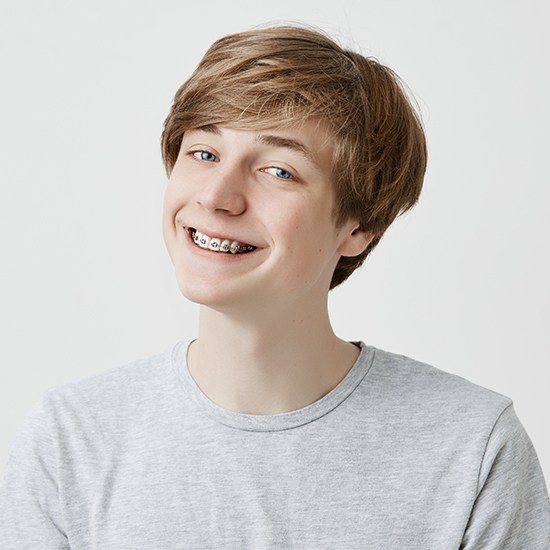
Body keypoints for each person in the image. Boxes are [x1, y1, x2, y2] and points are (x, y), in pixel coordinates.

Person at [1, 24, 549, 549]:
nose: (217, 196)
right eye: (204, 153)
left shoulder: (473, 447)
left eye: (279, 170)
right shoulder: (69, 440)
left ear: (358, 227)